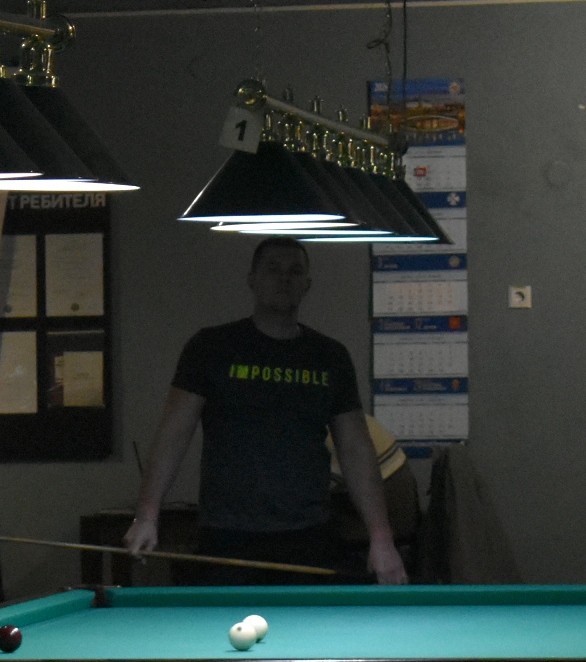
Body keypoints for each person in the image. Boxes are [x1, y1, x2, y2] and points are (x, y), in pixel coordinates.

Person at [128, 237, 407, 585]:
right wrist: (147, 516)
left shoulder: (329, 357)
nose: (284, 278)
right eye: (272, 269)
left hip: (308, 533)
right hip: (228, 534)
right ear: (252, 279)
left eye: (295, 271)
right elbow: (173, 434)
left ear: (307, 284)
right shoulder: (211, 348)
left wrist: (381, 538)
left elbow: (355, 448)